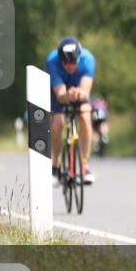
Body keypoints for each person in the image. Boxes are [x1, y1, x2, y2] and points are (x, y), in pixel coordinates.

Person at [46, 37, 96, 184]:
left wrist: (79, 94)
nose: (70, 66)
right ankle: (56, 165)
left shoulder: (88, 59)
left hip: (79, 88)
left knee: (85, 116)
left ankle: (85, 166)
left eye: (74, 62)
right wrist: (67, 95)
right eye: (66, 63)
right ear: (60, 60)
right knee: (57, 124)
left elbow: (86, 91)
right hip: (60, 91)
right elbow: (60, 95)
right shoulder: (52, 60)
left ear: (79, 58)